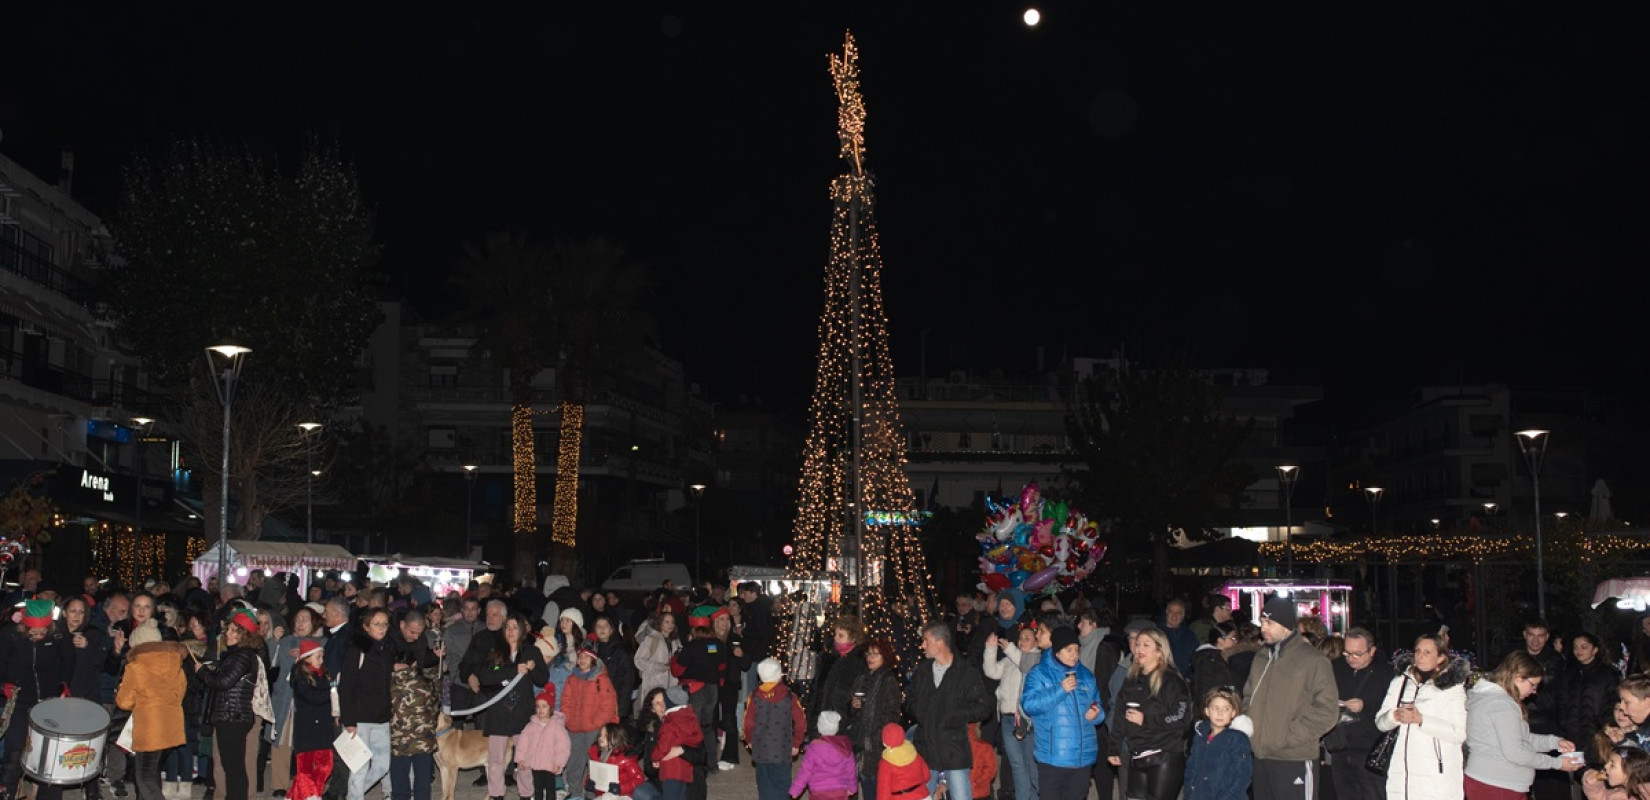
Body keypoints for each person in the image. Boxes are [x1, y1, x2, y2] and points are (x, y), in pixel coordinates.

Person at [1242, 598, 1339, 800]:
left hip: (1294, 757)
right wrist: (1249, 726)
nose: (1263, 628)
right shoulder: (1261, 658)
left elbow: (1327, 711)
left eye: (1269, 623)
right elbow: (1249, 696)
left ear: (1286, 625)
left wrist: (1287, 737)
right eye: (1262, 622)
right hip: (1261, 757)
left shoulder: (1313, 660)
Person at [1464, 651, 1584, 800]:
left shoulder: (1493, 699)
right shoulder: (1502, 705)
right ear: (1518, 677)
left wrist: (1555, 743)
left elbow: (1522, 739)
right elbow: (1515, 752)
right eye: (1533, 685)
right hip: (1497, 785)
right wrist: (1557, 763)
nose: (1534, 692)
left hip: (1495, 782)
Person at [1374, 633, 1469, 800]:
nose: (1420, 656)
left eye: (1427, 652)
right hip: (1401, 775)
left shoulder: (1451, 687)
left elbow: (1458, 733)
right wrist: (1394, 716)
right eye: (1417, 651)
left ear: (1440, 658)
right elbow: (1380, 723)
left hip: (1436, 777)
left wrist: (1421, 720)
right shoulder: (1400, 682)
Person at [906, 620, 994, 799]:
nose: (922, 646)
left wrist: (956, 716)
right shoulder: (923, 671)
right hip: (926, 748)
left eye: (926, 641)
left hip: (954, 749)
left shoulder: (965, 671)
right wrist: (922, 712)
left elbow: (984, 707)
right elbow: (909, 701)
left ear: (940, 642)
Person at [470, 613, 550, 800]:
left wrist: (533, 669)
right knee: (496, 759)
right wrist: (513, 670)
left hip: (522, 712)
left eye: (514, 627)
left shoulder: (531, 651)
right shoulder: (495, 652)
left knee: (524, 758)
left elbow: (542, 679)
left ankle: (526, 794)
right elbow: (485, 677)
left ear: (522, 630)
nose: (510, 631)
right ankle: (497, 794)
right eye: (507, 627)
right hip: (499, 711)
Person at [1108, 627, 1192, 800]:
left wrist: (1146, 719)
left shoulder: (1172, 681)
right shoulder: (1131, 680)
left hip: (1164, 756)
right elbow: (1119, 716)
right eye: (1138, 644)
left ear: (1160, 651)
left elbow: (1181, 718)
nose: (1139, 648)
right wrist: (1114, 748)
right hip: (1137, 755)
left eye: (1146, 645)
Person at [1022, 625, 1105, 800]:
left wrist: (1096, 713)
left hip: (1082, 758)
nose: (1074, 654)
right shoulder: (1039, 673)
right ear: (1057, 651)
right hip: (1053, 757)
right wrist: (1060, 690)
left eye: (1076, 650)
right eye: (1069, 650)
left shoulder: (1086, 676)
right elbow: (1029, 705)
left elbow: (1098, 706)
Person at [195, 608, 268, 800]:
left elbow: (224, 682)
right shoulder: (238, 655)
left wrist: (203, 672)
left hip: (233, 716)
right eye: (228, 629)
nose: (227, 633)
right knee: (232, 766)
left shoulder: (242, 656)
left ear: (244, 634)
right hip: (231, 715)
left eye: (234, 630)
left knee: (234, 768)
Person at [115, 622, 189, 800]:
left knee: (144, 776)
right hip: (171, 725)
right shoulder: (175, 662)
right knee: (154, 772)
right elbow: (180, 693)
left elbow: (124, 702)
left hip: (150, 728)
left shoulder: (136, 667)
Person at [1329, 628, 1398, 800]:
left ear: (1372, 651)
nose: (1351, 658)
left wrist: (1366, 706)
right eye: (1347, 653)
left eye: (1358, 654)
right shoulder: (1336, 667)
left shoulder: (1386, 673)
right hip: (1340, 747)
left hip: (1370, 751)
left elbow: (1393, 710)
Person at [270, 606, 324, 800]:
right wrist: (274, 641)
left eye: (305, 620)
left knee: (308, 745)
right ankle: (279, 784)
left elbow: (323, 671)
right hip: (285, 698)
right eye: (298, 619)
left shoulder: (321, 644)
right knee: (281, 740)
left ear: (314, 623)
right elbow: (272, 663)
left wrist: (305, 655)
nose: (300, 623)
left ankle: (308, 785)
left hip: (308, 701)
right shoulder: (286, 641)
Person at [388, 609, 442, 800]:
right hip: (398, 711)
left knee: (422, 760)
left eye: (419, 633)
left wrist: (434, 655)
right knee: (400, 760)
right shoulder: (389, 640)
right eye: (412, 632)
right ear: (402, 624)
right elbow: (375, 666)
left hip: (421, 710)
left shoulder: (420, 640)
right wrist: (391, 667)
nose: (415, 637)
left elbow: (423, 663)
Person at [984, 624, 1041, 800]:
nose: (1022, 641)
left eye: (1027, 638)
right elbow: (992, 671)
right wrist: (991, 649)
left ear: (1036, 642)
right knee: (1016, 764)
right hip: (1008, 718)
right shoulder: (1010, 658)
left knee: (1030, 764)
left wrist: (1009, 648)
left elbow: (1024, 665)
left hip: (1026, 720)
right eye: (1020, 638)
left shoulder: (1036, 659)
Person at [563, 645, 621, 800]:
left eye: (586, 657)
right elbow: (566, 701)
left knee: (594, 762)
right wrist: (568, 719)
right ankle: (575, 792)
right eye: (580, 657)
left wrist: (595, 722)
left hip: (594, 728)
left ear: (594, 660)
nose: (582, 660)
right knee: (574, 761)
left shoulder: (601, 679)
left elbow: (608, 705)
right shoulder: (572, 679)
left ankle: (593, 793)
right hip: (575, 727)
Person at [742, 658, 804, 800]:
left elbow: (748, 722)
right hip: (783, 749)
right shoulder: (790, 697)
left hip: (761, 749)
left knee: (765, 785)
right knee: (782, 784)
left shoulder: (754, 697)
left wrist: (749, 740)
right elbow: (801, 722)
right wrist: (796, 743)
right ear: (779, 675)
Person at [1185, 687, 1253, 800]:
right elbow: (1191, 768)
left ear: (1233, 713)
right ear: (1207, 711)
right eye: (1215, 708)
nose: (1220, 713)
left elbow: (1242, 775)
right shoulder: (1200, 736)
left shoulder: (1238, 739)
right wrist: (1189, 793)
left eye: (1225, 709)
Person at [288, 641, 334, 800]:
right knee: (305, 770)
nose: (322, 660)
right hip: (306, 730)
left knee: (325, 766)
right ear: (307, 658)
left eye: (322, 656)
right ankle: (311, 796)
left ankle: (303, 795)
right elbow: (313, 698)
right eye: (318, 657)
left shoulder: (325, 675)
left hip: (324, 728)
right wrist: (333, 692)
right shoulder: (299, 677)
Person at [1563, 633, 1621, 756]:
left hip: (1595, 733)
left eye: (1584, 647)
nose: (1578, 651)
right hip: (1571, 733)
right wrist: (1563, 723)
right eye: (1575, 647)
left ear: (1595, 650)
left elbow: (1613, 703)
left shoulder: (1608, 674)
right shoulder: (1569, 672)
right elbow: (1562, 700)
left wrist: (1605, 726)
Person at [516, 688, 571, 800]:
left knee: (550, 789)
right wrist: (521, 758)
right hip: (535, 763)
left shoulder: (557, 726)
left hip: (550, 764)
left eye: (544, 706)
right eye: (538, 706)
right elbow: (523, 743)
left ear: (551, 708)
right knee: (537, 788)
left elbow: (563, 747)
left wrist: (558, 762)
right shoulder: (531, 725)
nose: (540, 709)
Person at [651, 686, 704, 800]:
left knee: (670, 796)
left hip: (671, 770)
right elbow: (699, 737)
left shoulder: (669, 723)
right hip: (685, 769)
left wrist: (655, 757)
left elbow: (663, 746)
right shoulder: (691, 718)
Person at [789, 711, 857, 800]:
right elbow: (851, 770)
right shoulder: (845, 746)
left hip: (818, 791)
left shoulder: (814, 748)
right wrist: (852, 787)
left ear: (819, 727)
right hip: (840, 791)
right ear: (836, 728)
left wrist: (796, 790)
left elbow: (805, 771)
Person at [633, 611, 681, 716]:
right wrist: (658, 667)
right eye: (667, 622)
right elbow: (638, 660)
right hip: (653, 684)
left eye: (672, 622)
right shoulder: (651, 639)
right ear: (660, 623)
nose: (670, 625)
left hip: (671, 685)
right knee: (652, 714)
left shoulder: (675, 642)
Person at [586, 723, 651, 800]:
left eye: (606, 735)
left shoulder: (625, 757)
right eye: (600, 735)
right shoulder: (597, 754)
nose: (601, 737)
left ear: (616, 737)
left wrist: (621, 788)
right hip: (603, 794)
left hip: (623, 795)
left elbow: (639, 778)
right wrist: (589, 781)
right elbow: (594, 774)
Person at [591, 616, 637, 724]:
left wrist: (621, 710)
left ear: (611, 630)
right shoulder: (591, 651)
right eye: (599, 626)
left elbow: (627, 681)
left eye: (605, 626)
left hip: (613, 704)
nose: (602, 629)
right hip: (594, 703)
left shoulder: (620, 651)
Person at [1191, 622, 1240, 712]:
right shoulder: (1209, 660)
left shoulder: (1223, 657)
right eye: (1232, 638)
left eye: (1236, 638)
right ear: (1220, 640)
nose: (1235, 641)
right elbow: (1204, 690)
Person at [876, 724, 931, 800]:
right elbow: (927, 776)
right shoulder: (913, 753)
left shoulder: (886, 763)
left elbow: (884, 791)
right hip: (922, 795)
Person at [1582, 746, 1650, 800]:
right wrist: (1593, 784)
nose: (1605, 766)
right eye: (1608, 762)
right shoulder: (1621, 792)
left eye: (1612, 765)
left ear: (1628, 772)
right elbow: (1602, 797)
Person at [1161, 600, 1198, 677]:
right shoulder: (1157, 634)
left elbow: (1196, 659)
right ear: (1167, 612)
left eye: (1178, 613)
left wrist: (1189, 677)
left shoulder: (1190, 636)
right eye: (1171, 612)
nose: (1174, 615)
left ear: (1183, 615)